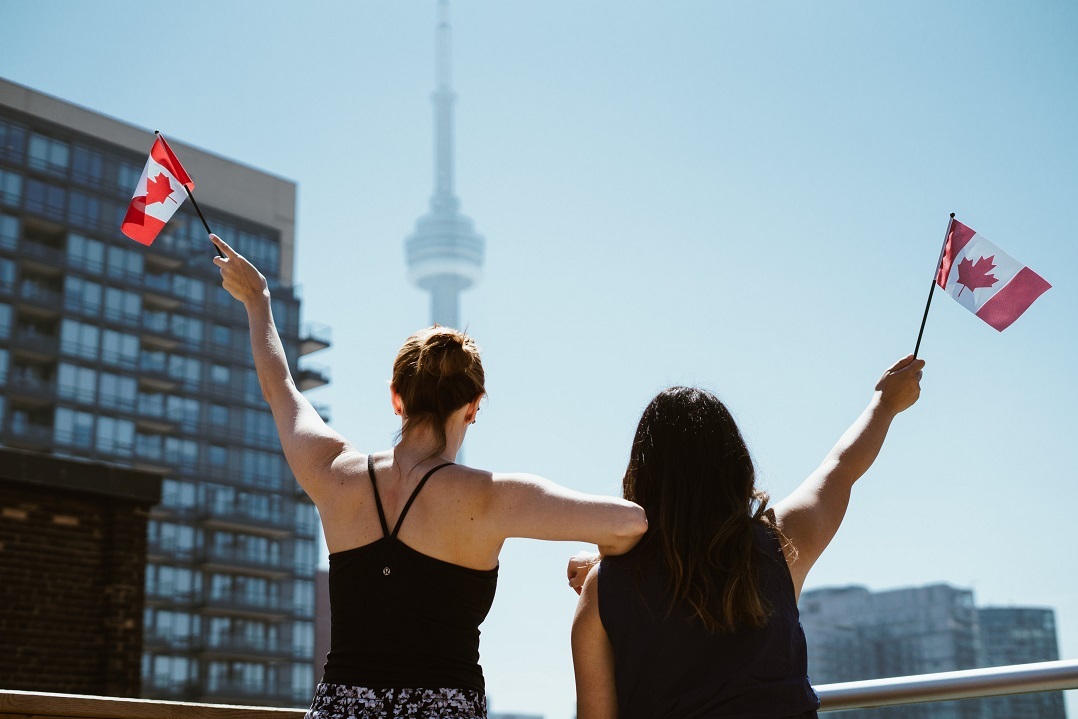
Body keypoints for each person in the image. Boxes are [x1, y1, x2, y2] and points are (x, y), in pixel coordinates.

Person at [210, 234, 648, 719]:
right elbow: (630, 523)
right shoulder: (491, 498)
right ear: (474, 407)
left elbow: (281, 391)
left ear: (396, 397)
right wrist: (598, 567)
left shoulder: (335, 473)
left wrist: (258, 300)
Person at [568, 356, 925, 719]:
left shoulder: (603, 590)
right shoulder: (780, 545)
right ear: (735, 465)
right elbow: (841, 467)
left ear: (640, 475)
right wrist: (884, 403)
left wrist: (605, 571)